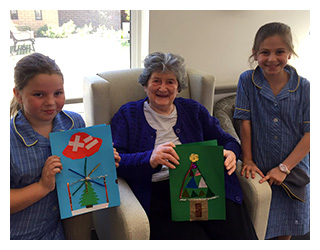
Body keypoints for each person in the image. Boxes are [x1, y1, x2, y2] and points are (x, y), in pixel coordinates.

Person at [111, 52, 257, 240]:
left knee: (237, 235)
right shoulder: (128, 115)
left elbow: (227, 140)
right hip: (160, 192)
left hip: (206, 185)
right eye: (156, 81)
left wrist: (231, 152)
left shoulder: (193, 110)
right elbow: (116, 161)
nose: (163, 88)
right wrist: (150, 158)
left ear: (178, 87)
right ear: (145, 84)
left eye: (170, 81)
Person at [10, 53, 121, 240]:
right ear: (18, 95)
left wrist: (105, 161)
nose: (51, 102)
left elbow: (83, 169)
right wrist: (42, 186)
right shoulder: (9, 139)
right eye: (39, 94)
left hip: (56, 232)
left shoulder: (74, 123)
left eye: (58, 93)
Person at [234, 22, 310, 240]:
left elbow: (311, 133)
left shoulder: (304, 87)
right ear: (255, 53)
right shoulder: (246, 80)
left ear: (289, 53)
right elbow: (244, 121)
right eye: (265, 52)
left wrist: (284, 168)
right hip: (260, 169)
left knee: (286, 230)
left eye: (280, 52)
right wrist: (247, 160)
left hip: (293, 171)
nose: (272, 59)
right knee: (261, 228)